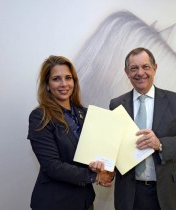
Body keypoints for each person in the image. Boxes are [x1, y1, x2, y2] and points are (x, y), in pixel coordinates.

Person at [109, 48, 176, 210]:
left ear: (155, 68)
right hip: (130, 194)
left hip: (167, 192)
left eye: (145, 67)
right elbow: (112, 146)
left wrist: (160, 144)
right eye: (134, 68)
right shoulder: (116, 104)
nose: (140, 73)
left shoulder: (174, 100)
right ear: (126, 72)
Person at [27, 55, 113, 210]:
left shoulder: (85, 114)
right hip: (55, 202)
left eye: (68, 78)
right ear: (47, 84)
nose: (64, 84)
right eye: (56, 79)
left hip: (85, 201)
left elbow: (93, 153)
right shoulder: (40, 116)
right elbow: (52, 166)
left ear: (74, 81)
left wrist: (103, 167)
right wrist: (94, 176)